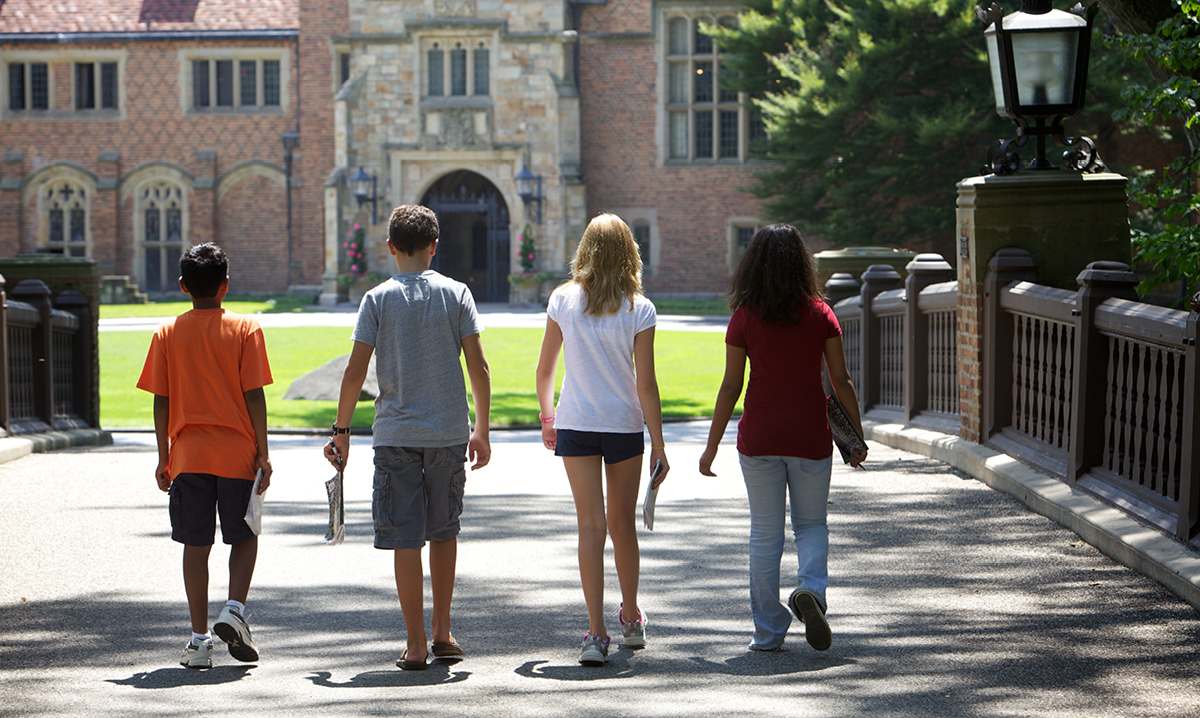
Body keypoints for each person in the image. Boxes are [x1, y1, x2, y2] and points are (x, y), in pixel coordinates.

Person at [323, 204, 491, 671]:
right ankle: (443, 632)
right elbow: (478, 367)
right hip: (448, 433)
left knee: (404, 538)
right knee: (444, 531)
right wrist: (482, 427)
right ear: (434, 246)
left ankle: (415, 643)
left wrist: (342, 432)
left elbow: (355, 372)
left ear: (391, 247)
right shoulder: (457, 294)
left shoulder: (376, 299)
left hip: (394, 434)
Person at [698, 224, 866, 653]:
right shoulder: (820, 314)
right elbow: (841, 381)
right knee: (811, 525)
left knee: (765, 535)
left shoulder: (744, 318)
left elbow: (730, 386)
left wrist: (711, 446)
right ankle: (810, 589)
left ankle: (769, 632)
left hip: (760, 438)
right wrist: (856, 438)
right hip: (810, 436)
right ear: (801, 264)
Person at [535, 212, 670, 665]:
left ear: (585, 250)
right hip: (624, 425)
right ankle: (630, 618)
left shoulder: (562, 299)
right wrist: (660, 444)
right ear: (629, 252)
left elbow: (545, 370)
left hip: (576, 422)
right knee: (622, 526)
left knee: (590, 528)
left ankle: (595, 634)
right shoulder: (639, 308)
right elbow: (647, 383)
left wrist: (548, 418)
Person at [137, 243, 273, 670]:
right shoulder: (246, 329)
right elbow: (255, 395)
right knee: (245, 535)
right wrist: (263, 453)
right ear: (226, 285)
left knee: (195, 545)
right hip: (236, 453)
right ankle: (234, 608)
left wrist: (164, 456)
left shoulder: (166, 332)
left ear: (182, 287)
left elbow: (162, 399)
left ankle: (198, 641)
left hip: (189, 454)